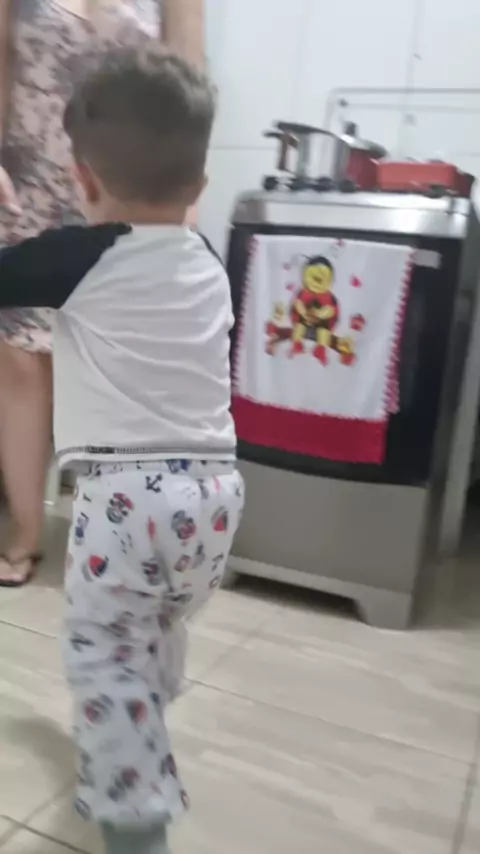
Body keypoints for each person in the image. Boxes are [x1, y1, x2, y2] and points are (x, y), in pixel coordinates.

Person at [0, 45, 243, 853]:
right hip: (216, 500)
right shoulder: (208, 262)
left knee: (103, 656)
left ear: (83, 178)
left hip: (128, 502)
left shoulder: (83, 255)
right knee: (156, 626)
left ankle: (135, 817)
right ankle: (137, 729)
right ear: (200, 186)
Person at [0, 0, 205, 586]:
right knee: (19, 357)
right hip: (27, 175)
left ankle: (122, 529)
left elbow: (189, 73)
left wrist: (182, 191)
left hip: (128, 187)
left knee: (117, 363)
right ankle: (26, 531)